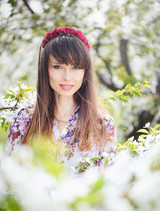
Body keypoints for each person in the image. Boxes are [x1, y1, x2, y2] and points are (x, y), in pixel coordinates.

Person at [5, 27, 116, 171]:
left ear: (85, 72)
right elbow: (8, 180)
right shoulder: (24, 119)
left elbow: (107, 183)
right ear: (46, 69)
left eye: (76, 67)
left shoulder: (102, 124)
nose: (67, 77)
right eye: (58, 67)